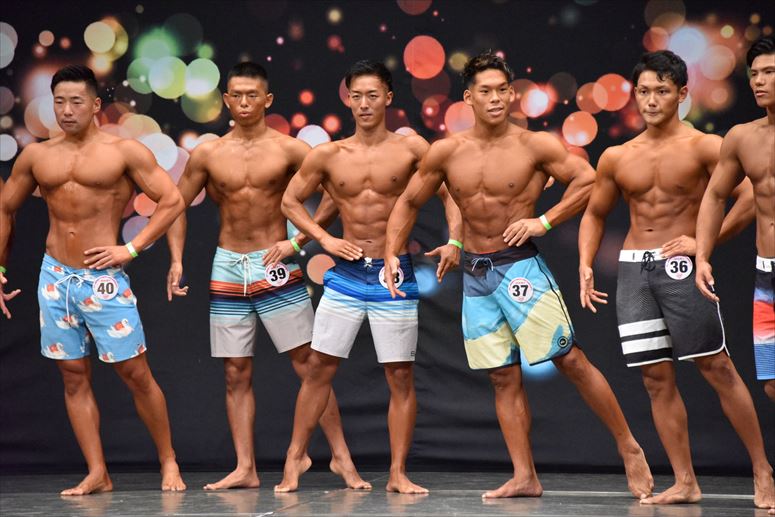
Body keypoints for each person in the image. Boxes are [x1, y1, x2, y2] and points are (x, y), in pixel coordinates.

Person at [384, 51, 652, 500]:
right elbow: (409, 201)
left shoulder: (535, 146)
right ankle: (525, 475)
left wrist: (543, 221)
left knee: (569, 359)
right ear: (468, 98)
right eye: (484, 91)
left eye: (501, 90)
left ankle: (628, 447)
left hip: (519, 268)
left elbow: (587, 180)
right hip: (475, 275)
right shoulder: (447, 151)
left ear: (512, 94)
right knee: (502, 377)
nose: (494, 98)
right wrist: (392, 252)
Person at [578, 50, 774, 509]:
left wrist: (703, 244)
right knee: (655, 378)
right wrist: (586, 263)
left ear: (682, 94)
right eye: (644, 91)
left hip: (680, 267)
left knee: (717, 368)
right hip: (634, 269)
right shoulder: (617, 156)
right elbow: (594, 214)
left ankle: (762, 469)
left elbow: (747, 199)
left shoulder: (705, 146)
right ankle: (685, 481)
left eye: (662, 91)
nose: (651, 100)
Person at [166, 62, 368, 491]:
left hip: (275, 263)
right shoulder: (208, 153)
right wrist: (177, 260)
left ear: (267, 100)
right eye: (236, 95)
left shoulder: (290, 150)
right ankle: (246, 468)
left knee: (310, 366)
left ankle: (341, 458)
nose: (244, 103)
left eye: (252, 95)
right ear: (226, 100)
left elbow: (337, 195)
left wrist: (301, 241)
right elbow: (174, 206)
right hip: (227, 265)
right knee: (235, 371)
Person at [278, 60, 463, 494]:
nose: (364, 104)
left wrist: (455, 239)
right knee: (319, 368)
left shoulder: (411, 148)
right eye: (356, 96)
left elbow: (450, 193)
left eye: (372, 96)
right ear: (348, 100)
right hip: (346, 273)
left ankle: (397, 473)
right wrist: (324, 238)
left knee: (400, 376)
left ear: (388, 98)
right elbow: (289, 201)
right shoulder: (329, 154)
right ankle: (295, 458)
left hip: (391, 273)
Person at [0, 65, 186, 495]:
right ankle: (97, 472)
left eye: (76, 102)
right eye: (59, 102)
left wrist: (131, 248)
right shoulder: (37, 156)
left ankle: (168, 461)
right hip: (55, 277)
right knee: (72, 376)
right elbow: (6, 209)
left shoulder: (124, 152)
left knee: (135, 373)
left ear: (96, 105)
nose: (66, 110)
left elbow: (172, 199)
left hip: (103, 278)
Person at [696, 36, 775, 403]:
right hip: (766, 274)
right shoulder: (742, 138)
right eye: (754, 74)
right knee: (772, 381)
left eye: (769, 72)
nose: (759, 81)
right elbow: (715, 196)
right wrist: (702, 255)